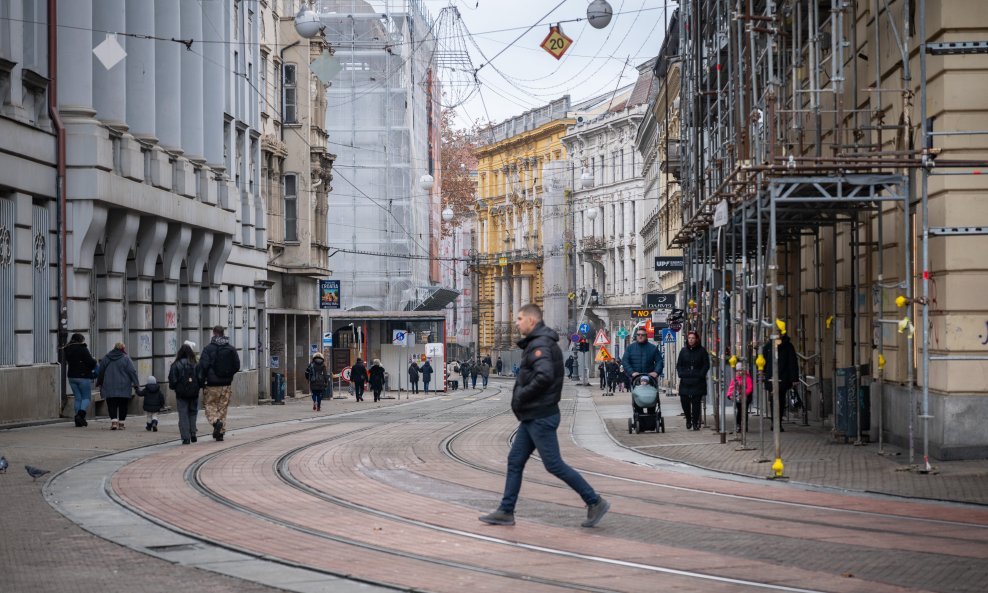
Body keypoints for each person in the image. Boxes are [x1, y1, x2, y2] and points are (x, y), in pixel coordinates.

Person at [478, 304, 610, 528]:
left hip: (540, 414)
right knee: (515, 461)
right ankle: (506, 510)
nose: (517, 323)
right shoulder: (538, 343)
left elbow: (544, 376)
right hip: (533, 415)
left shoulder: (540, 345)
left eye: (520, 318)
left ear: (531, 320)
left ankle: (594, 500)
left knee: (554, 464)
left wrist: (521, 396)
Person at [197, 325, 241, 441]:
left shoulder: (208, 349)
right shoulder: (231, 349)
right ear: (223, 333)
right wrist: (228, 375)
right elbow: (237, 366)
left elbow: (203, 366)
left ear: (214, 333)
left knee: (209, 406)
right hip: (226, 384)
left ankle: (216, 423)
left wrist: (202, 381)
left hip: (211, 384)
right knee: (223, 408)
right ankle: (220, 433)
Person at [622, 327, 665, 416]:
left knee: (651, 400)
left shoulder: (653, 348)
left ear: (646, 336)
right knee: (637, 402)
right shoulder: (630, 348)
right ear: (636, 336)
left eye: (642, 335)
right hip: (636, 379)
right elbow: (625, 361)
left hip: (650, 379)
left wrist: (656, 372)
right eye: (638, 335)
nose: (640, 336)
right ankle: (639, 420)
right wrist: (632, 372)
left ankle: (652, 420)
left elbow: (659, 361)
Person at [96, 342, 140, 431]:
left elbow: (101, 371)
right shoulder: (126, 359)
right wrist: (136, 384)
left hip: (109, 385)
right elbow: (132, 372)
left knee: (111, 404)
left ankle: (114, 423)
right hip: (123, 386)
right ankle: (121, 424)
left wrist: (99, 382)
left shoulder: (107, 357)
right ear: (123, 349)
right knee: (123, 405)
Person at [762, 334, 799, 429]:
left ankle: (777, 422)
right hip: (771, 377)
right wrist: (762, 373)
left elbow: (792, 362)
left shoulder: (788, 346)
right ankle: (774, 422)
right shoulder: (768, 346)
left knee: (780, 400)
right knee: (773, 400)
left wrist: (794, 378)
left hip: (783, 377)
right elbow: (763, 361)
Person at [676, 330, 711, 431]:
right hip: (685, 380)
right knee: (684, 401)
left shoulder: (702, 351)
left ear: (696, 339)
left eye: (693, 338)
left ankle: (695, 422)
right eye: (689, 338)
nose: (691, 340)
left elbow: (706, 364)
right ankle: (688, 419)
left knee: (696, 403)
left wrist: (701, 374)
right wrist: (681, 373)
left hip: (697, 380)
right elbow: (679, 365)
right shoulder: (683, 351)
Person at [169, 342, 200, 444]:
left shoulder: (176, 364)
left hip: (181, 394)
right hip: (194, 393)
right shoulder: (195, 364)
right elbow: (200, 378)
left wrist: (175, 387)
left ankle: (186, 437)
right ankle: (193, 433)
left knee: (183, 414)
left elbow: (172, 380)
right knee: (193, 412)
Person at [63, 333, 97, 427]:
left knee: (78, 398)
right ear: (80, 340)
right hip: (83, 377)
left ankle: (78, 420)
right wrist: (94, 361)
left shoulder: (67, 348)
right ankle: (80, 416)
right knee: (86, 398)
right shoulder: (82, 348)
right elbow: (90, 361)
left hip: (71, 377)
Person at [727, 362, 754, 433]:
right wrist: (729, 395)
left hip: (746, 398)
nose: (739, 372)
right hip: (738, 398)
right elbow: (731, 387)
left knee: (744, 411)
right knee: (739, 411)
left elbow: (750, 388)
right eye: (737, 370)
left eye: (740, 370)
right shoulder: (735, 379)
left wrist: (743, 393)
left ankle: (744, 425)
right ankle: (738, 425)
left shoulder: (747, 378)